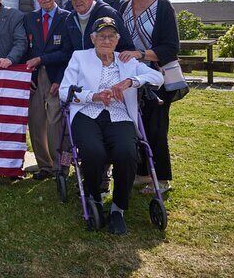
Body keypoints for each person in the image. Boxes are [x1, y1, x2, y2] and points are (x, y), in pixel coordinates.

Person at [60, 16, 164, 234]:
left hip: (119, 114)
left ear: (117, 41)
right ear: (92, 38)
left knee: (127, 152)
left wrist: (130, 81)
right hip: (87, 113)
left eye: (110, 37)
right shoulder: (79, 57)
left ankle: (118, 208)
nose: (105, 40)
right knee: (93, 151)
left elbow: (156, 77)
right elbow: (64, 90)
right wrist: (93, 96)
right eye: (101, 36)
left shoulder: (126, 60)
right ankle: (94, 197)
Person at [118, 0, 179, 194]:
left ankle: (161, 179)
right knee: (135, 124)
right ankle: (143, 173)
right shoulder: (124, 8)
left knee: (156, 127)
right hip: (130, 75)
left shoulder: (163, 6)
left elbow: (171, 47)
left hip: (156, 76)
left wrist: (141, 53)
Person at [23, 0, 73, 180]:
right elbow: (27, 49)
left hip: (57, 76)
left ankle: (62, 166)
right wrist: (27, 76)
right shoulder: (30, 19)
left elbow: (69, 52)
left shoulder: (68, 18)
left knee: (56, 123)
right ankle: (44, 166)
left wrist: (60, 80)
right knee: (36, 121)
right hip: (35, 77)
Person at [65, 0, 134, 52]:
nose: (78, 1)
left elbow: (127, 47)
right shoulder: (70, 19)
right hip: (80, 63)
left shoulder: (109, 14)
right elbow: (68, 50)